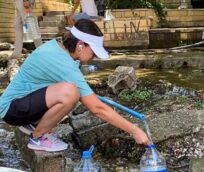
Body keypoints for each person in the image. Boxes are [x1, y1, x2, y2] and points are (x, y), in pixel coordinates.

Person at [0, 19, 151, 152]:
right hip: (12, 110)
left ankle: (33, 124)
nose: (95, 57)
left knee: (74, 91)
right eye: (93, 52)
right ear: (80, 45)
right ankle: (38, 137)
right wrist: (134, 130)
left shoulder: (59, 48)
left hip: (23, 104)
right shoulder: (63, 63)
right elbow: (97, 108)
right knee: (71, 92)